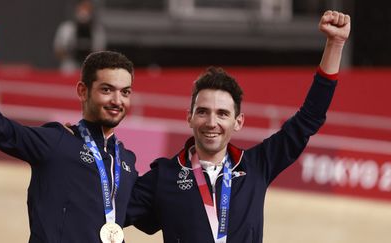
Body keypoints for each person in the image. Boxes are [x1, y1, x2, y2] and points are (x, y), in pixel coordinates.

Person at [126, 10, 351, 243]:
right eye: (203, 112)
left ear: (238, 122)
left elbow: (309, 118)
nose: (212, 123)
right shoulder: (164, 176)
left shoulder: (257, 165)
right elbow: (105, 217)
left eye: (222, 114)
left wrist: (335, 43)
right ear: (189, 117)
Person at [0, 21, 137, 243]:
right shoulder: (55, 142)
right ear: (83, 91)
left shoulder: (127, 164)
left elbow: (164, 206)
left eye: (125, 92)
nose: (117, 100)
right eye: (106, 89)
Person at [53, 0, 106, 74]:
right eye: (82, 8)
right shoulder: (66, 28)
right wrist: (71, 53)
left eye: (87, 9)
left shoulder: (97, 30)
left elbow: (100, 52)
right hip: (70, 66)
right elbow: (58, 51)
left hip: (89, 67)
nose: (84, 12)